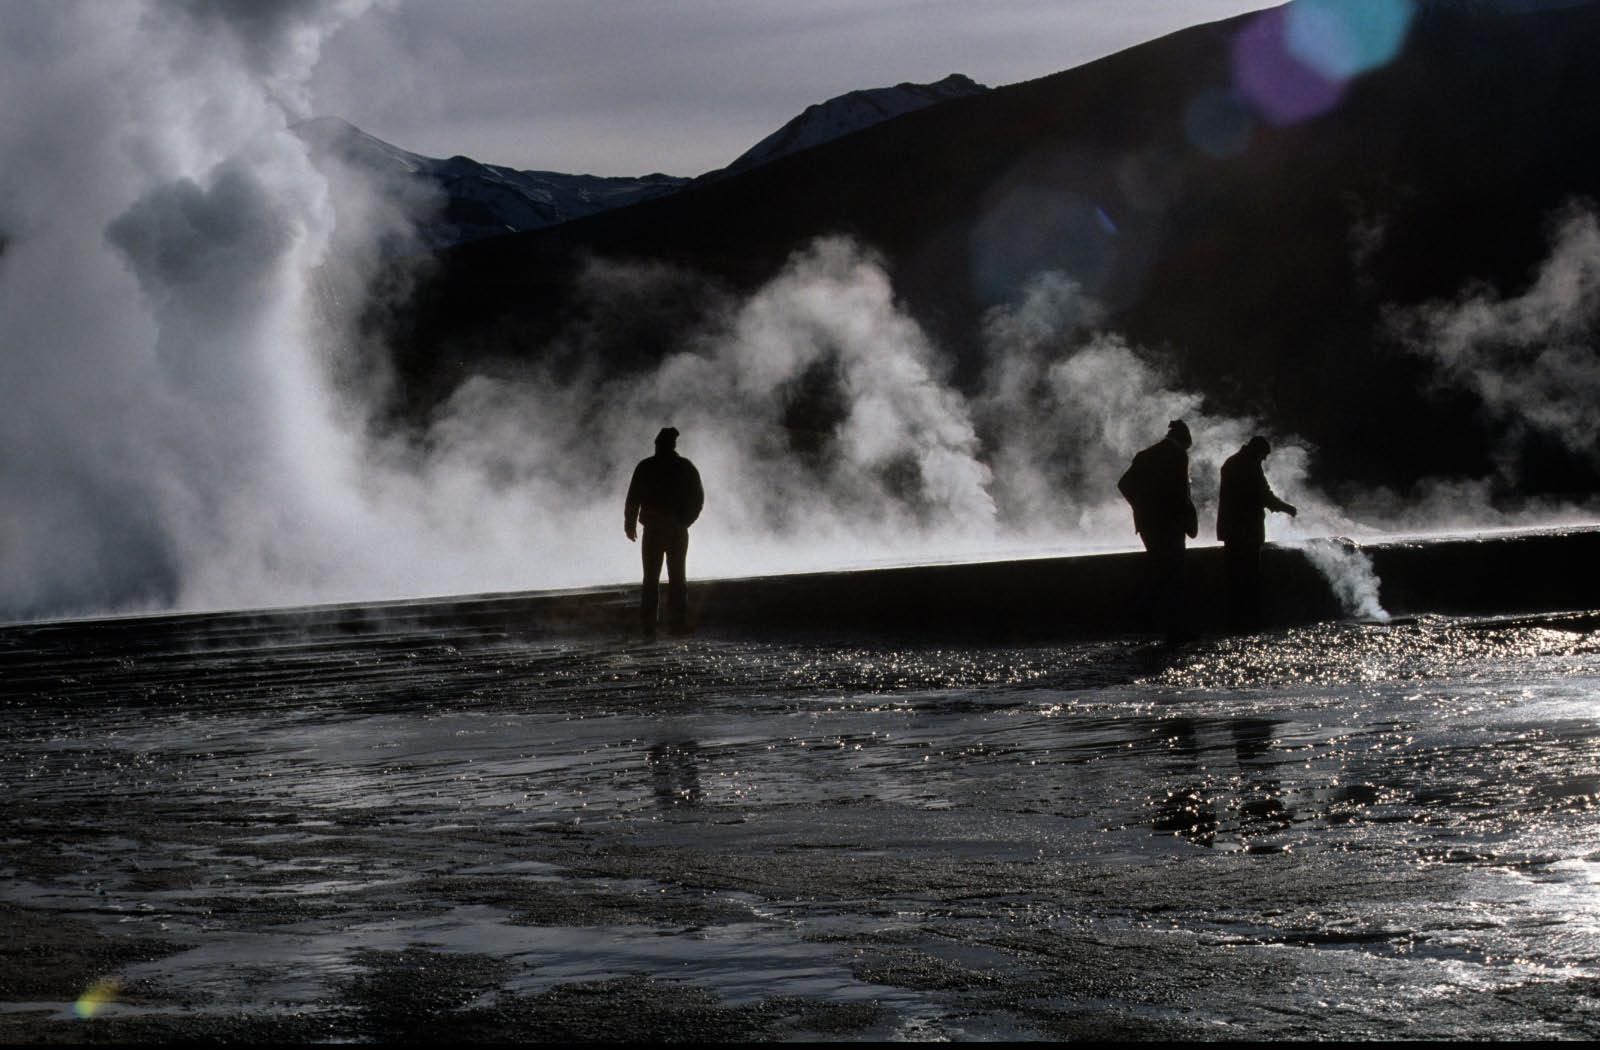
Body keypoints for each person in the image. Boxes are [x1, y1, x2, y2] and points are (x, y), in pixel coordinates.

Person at [1118, 419, 1199, 641]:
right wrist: (1189, 520)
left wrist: (1141, 507)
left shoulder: (1145, 455)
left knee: (1159, 572)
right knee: (1174, 576)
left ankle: (1150, 622)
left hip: (1148, 525)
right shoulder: (1177, 455)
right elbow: (1182, 493)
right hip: (1171, 525)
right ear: (1184, 440)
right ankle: (1175, 628)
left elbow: (1124, 484)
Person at [624, 427, 704, 640]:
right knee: (671, 578)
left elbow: (633, 498)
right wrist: (685, 521)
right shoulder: (682, 467)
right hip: (670, 528)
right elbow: (697, 498)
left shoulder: (648, 467)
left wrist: (630, 523)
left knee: (658, 579)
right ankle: (670, 624)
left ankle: (653, 626)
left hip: (663, 529)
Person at [1217, 435, 1297, 632]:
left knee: (1234, 577)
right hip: (1247, 531)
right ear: (1257, 451)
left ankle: (1234, 620)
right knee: (1249, 577)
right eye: (1263, 456)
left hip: (1231, 530)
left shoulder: (1232, 462)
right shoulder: (1249, 465)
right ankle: (1249, 621)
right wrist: (1287, 508)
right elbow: (1263, 495)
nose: (1263, 460)